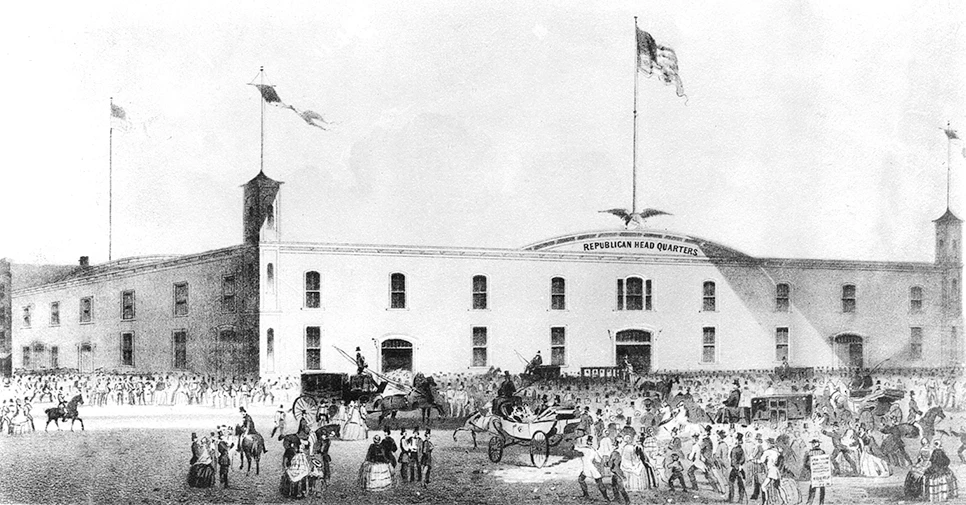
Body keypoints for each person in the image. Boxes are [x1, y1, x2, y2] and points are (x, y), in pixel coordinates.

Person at [574, 435, 609, 500]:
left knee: (582, 480)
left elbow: (575, 448)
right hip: (591, 468)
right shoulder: (593, 450)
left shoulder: (584, 449)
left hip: (589, 468)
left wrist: (574, 441)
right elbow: (599, 460)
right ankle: (605, 497)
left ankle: (605, 498)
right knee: (582, 480)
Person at [801, 439, 827, 505]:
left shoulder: (820, 452)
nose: (813, 444)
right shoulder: (811, 452)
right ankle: (815, 502)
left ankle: (813, 502)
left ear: (817, 443)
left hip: (819, 471)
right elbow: (806, 463)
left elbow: (825, 462)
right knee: (816, 486)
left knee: (818, 486)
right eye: (812, 443)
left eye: (814, 443)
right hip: (816, 471)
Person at [728, 432, 746, 503]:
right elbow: (743, 459)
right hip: (740, 468)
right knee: (740, 484)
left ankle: (731, 499)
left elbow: (733, 460)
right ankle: (740, 499)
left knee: (731, 483)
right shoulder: (741, 449)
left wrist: (737, 467)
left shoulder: (734, 449)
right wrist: (740, 466)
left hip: (736, 469)